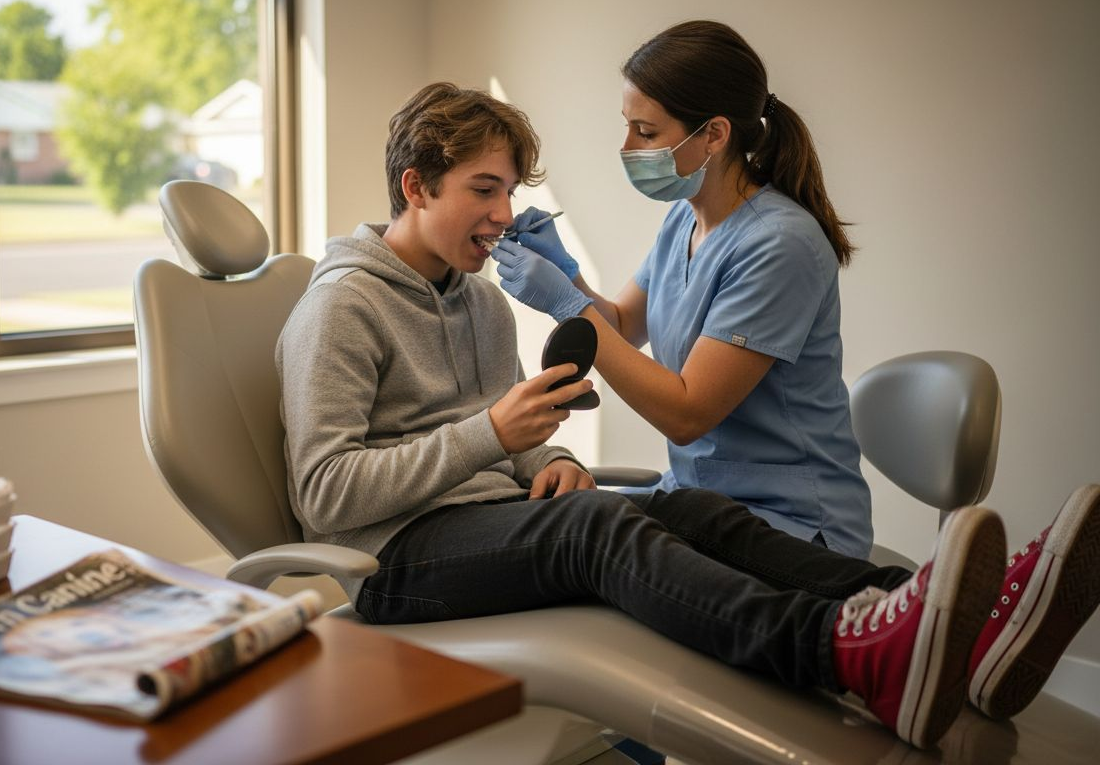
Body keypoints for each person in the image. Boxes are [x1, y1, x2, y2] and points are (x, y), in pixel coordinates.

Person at [276, 81, 1100, 748]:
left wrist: (548, 460)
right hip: (396, 557)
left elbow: (508, 441)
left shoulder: (481, 304)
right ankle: (844, 653)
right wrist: (490, 435)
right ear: (415, 186)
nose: (502, 214)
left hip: (488, 520)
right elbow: (325, 496)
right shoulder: (344, 306)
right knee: (597, 530)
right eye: (482, 190)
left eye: (508, 192)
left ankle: (952, 618)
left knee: (690, 510)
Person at [490, 20, 872, 558]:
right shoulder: (685, 220)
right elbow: (623, 326)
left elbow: (686, 415)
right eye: (627, 127)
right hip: (703, 503)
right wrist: (567, 274)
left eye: (645, 133)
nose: (626, 147)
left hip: (792, 524)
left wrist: (567, 304)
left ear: (714, 134)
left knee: (587, 555)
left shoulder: (779, 244)